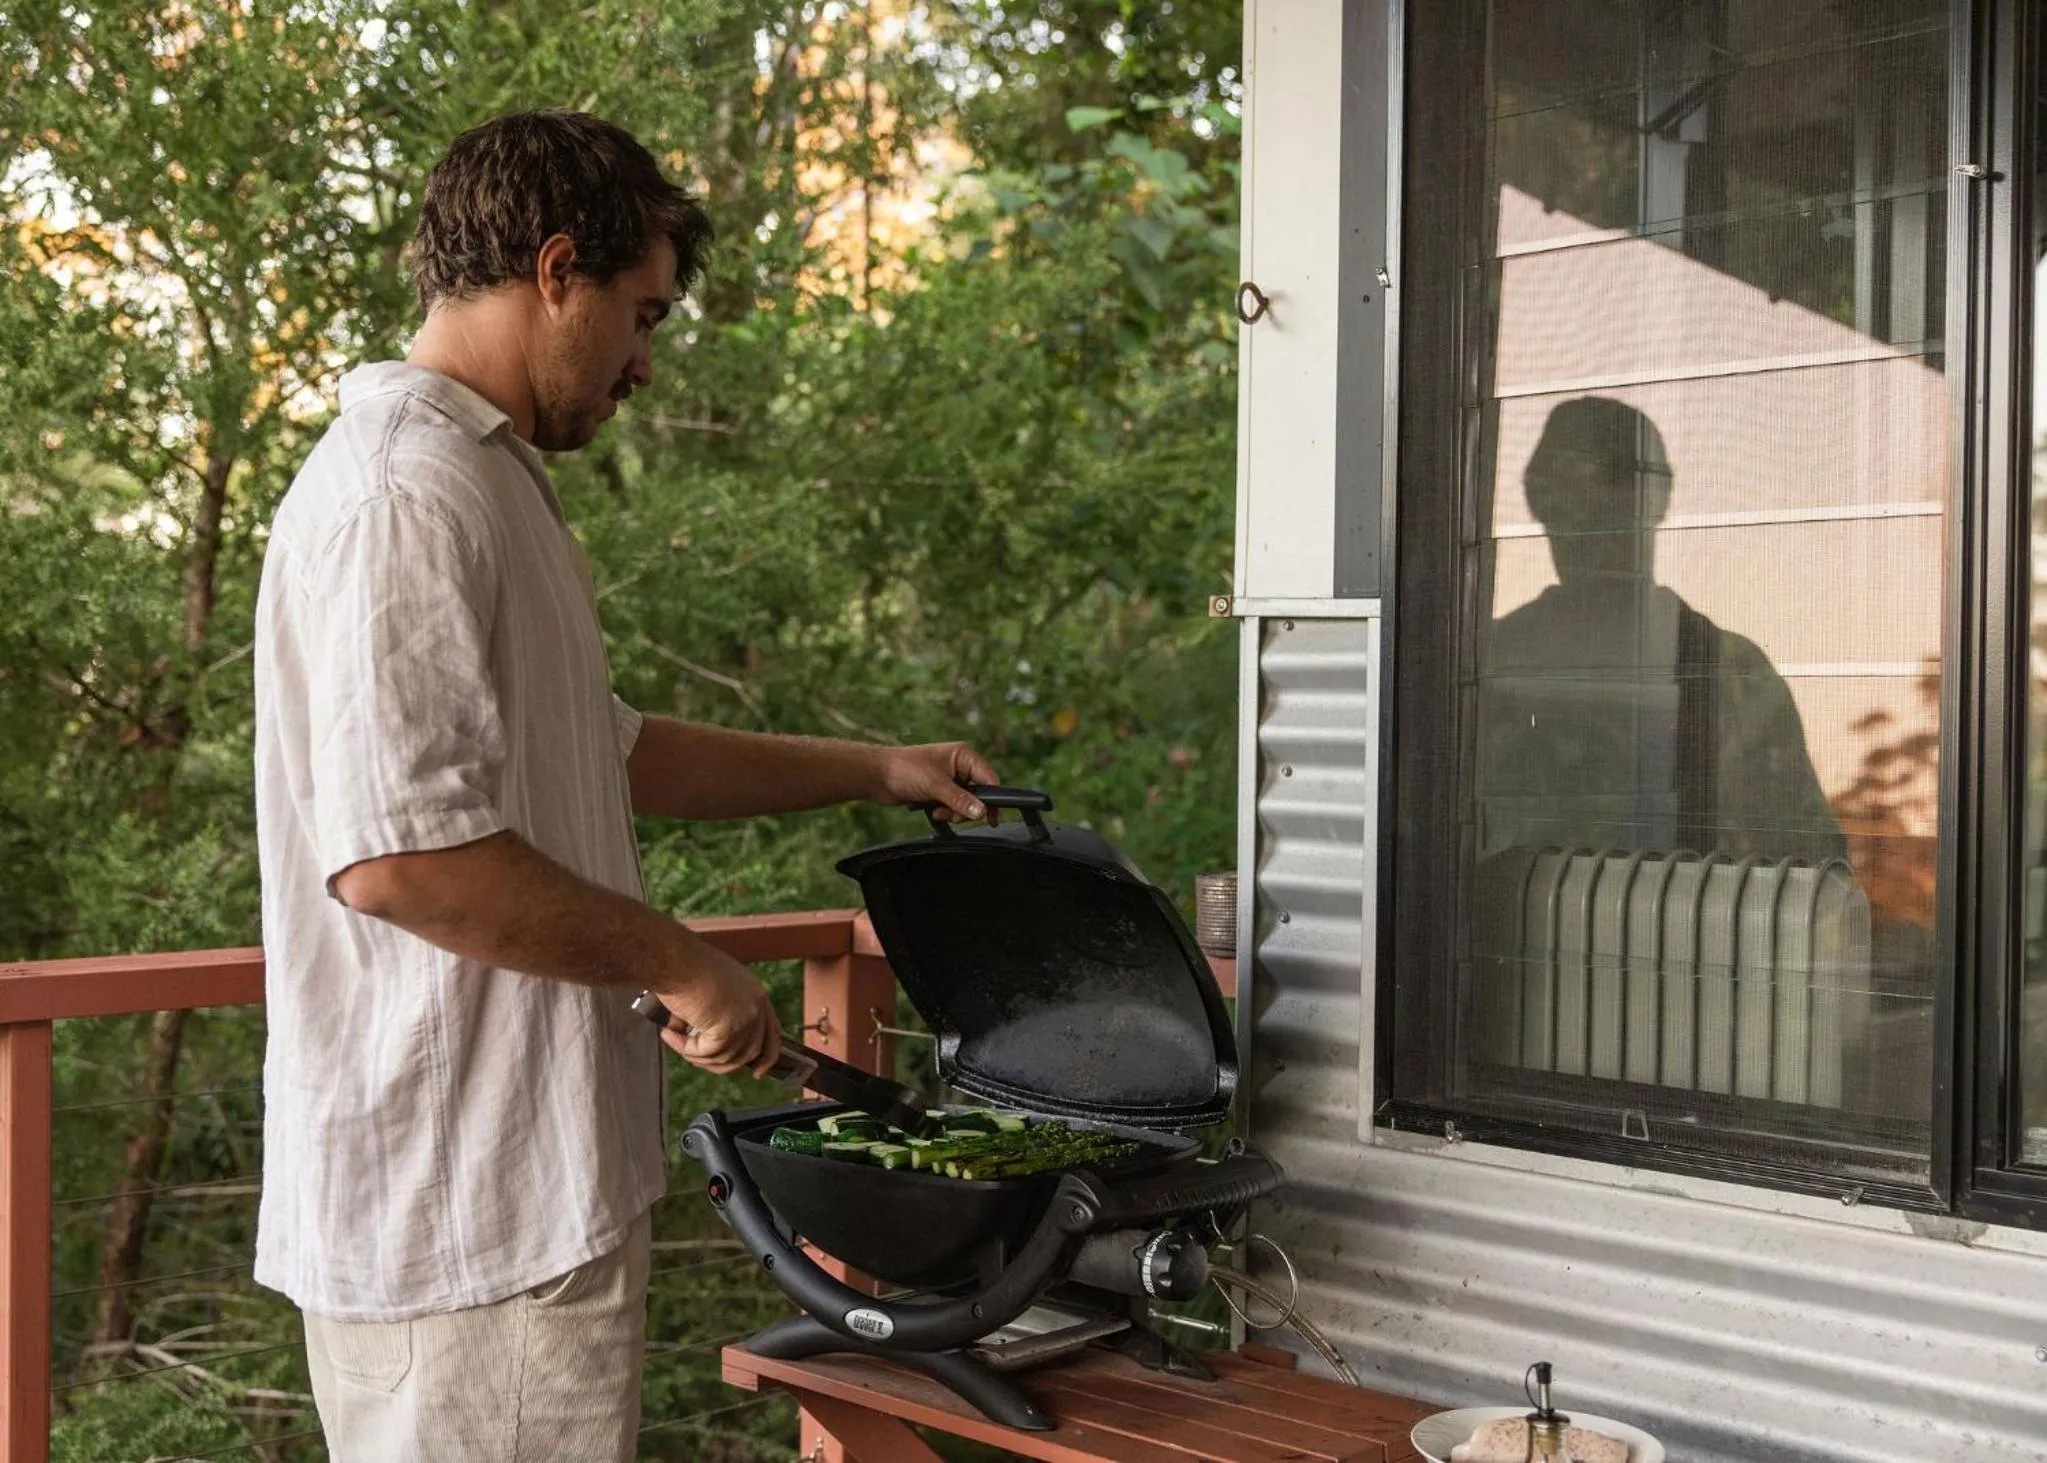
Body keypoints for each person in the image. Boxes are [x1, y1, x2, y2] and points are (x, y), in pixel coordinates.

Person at [250, 111, 998, 1461]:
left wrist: (876, 766)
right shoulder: (400, 498)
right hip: (462, 1213)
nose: (645, 362)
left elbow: (612, 747)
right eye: (640, 314)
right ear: (553, 271)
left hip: (521, 1199)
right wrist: (682, 959)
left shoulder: (482, 484)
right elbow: (401, 859)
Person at [1477, 395, 1844, 865]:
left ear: (1655, 496)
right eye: (1558, 489)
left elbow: (1809, 871)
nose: (1583, 512)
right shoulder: (1489, 662)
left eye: (1600, 483)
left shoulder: (1725, 671)